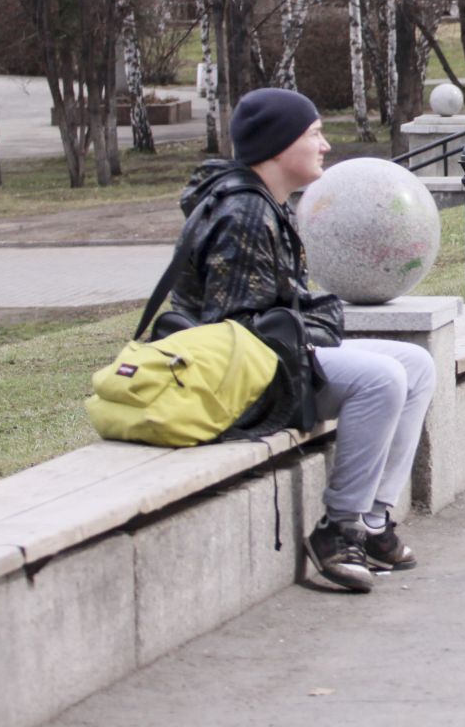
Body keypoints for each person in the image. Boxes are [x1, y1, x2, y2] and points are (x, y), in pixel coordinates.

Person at [169, 88, 435, 594]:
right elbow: (236, 333)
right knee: (380, 378)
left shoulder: (261, 202)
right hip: (233, 382)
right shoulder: (243, 215)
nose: (326, 146)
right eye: (313, 134)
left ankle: (374, 521)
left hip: (259, 362)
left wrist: (313, 319)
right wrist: (317, 326)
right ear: (279, 145)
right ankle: (340, 528)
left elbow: (271, 313)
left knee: (416, 364)